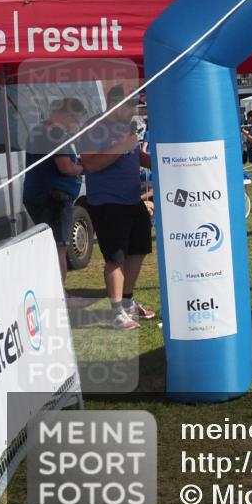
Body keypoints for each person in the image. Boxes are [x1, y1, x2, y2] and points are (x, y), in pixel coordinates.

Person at [79, 85, 157, 330]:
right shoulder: (94, 127)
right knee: (116, 257)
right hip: (108, 203)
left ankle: (127, 301)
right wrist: (120, 147)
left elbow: (135, 157)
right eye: (129, 105)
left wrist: (166, 160)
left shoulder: (126, 128)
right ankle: (116, 313)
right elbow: (90, 164)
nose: (133, 110)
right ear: (113, 104)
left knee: (139, 250)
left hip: (132, 200)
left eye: (135, 105)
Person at [23, 97, 87, 284]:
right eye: (75, 119)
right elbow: (65, 166)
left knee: (52, 246)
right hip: (53, 199)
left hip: (41, 194)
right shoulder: (55, 133)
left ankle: (55, 290)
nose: (75, 124)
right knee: (59, 248)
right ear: (66, 114)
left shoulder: (39, 130)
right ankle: (60, 294)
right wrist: (82, 168)